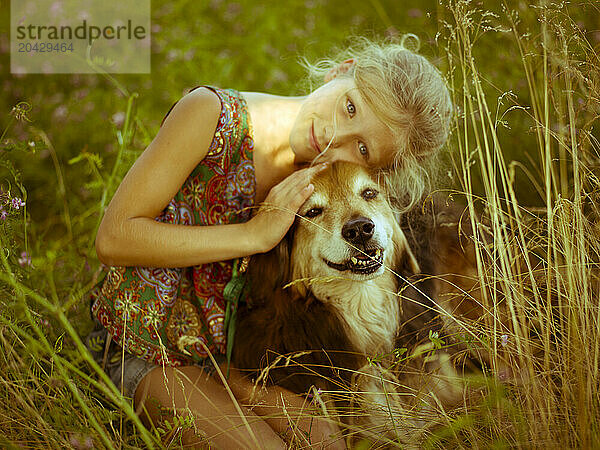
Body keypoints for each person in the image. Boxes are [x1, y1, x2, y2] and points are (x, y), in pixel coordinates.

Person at [86, 36, 453, 448]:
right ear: (340, 70)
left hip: (235, 365)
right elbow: (114, 236)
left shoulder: (323, 183)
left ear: (377, 171)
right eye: (350, 107)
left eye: (362, 148)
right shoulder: (211, 115)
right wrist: (252, 235)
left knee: (325, 443)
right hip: (146, 347)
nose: (335, 137)